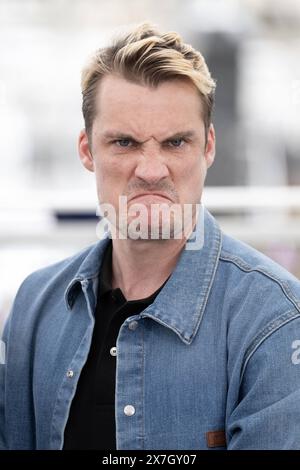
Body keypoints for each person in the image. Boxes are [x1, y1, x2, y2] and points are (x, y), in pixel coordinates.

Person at [1, 22, 300, 451]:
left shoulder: (276, 321)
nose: (152, 170)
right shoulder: (34, 307)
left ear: (208, 147)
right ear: (87, 150)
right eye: (125, 142)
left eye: (176, 142)